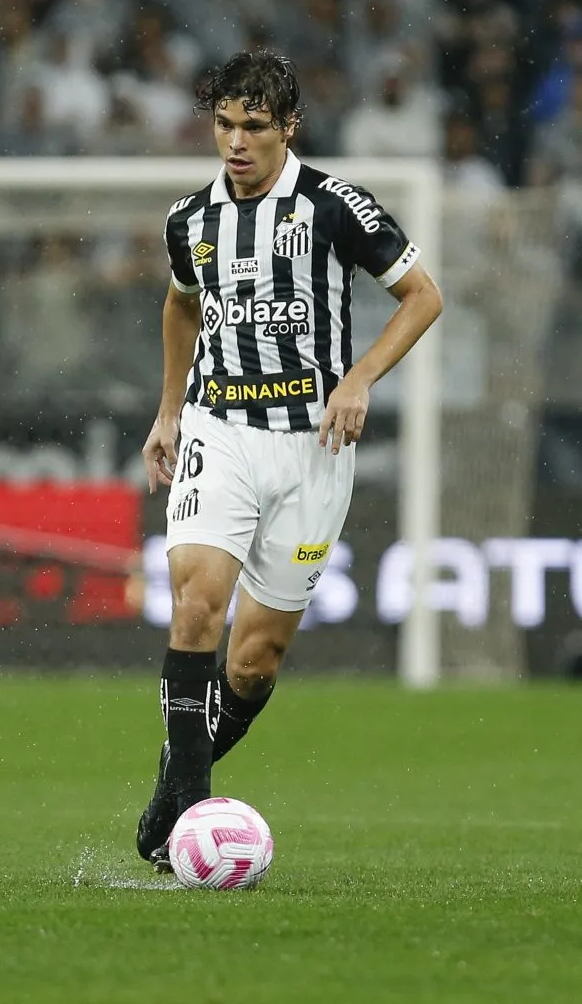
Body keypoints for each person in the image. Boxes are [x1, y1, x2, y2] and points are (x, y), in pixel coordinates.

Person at [137, 50, 443, 872]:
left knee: (255, 658)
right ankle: (192, 823)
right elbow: (180, 303)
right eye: (224, 125)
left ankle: (173, 788)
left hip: (313, 444)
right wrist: (170, 410)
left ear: (288, 128)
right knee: (197, 604)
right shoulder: (189, 220)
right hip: (220, 429)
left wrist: (359, 379)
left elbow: (423, 297)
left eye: (254, 127)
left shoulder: (335, 205)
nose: (235, 142)